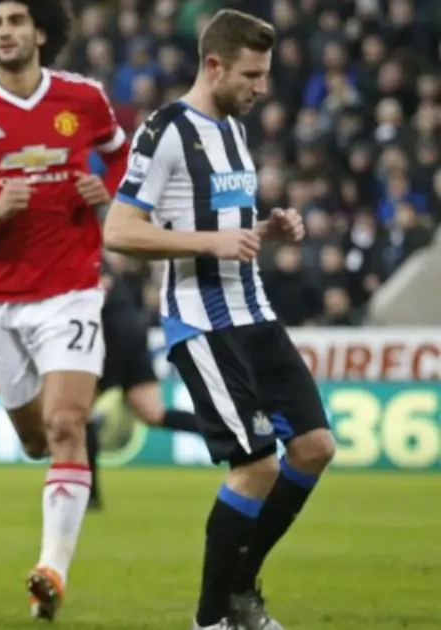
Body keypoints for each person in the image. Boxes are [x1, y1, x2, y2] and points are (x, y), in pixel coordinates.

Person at [103, 10, 336, 630]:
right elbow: (119, 230)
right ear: (214, 66)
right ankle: (212, 619)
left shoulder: (232, 129)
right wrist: (212, 243)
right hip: (203, 323)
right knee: (256, 466)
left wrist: (268, 230)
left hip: (255, 313)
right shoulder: (165, 131)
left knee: (314, 448)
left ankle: (239, 592)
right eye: (252, 75)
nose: (262, 87)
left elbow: (224, 228)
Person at [0, 0, 130, 620]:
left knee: (66, 424)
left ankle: (51, 571)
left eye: (16, 20)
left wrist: (107, 190)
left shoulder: (84, 98)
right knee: (37, 438)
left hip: (71, 287)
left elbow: (123, 156)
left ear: (41, 30)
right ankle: (59, 492)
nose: (5, 31)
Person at [85, 263, 202, 510]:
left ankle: (89, 494)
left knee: (79, 415)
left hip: (110, 337)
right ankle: (233, 435)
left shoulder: (88, 258)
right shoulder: (108, 264)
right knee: (154, 413)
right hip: (134, 334)